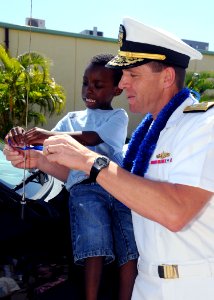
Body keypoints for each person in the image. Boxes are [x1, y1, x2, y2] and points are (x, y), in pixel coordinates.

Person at [4, 53, 138, 300]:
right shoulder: (71, 119)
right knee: (93, 244)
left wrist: (48, 135)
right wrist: (20, 139)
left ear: (117, 90)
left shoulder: (117, 117)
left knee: (128, 245)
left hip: (118, 186)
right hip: (84, 188)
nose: (89, 90)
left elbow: (92, 138)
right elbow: (45, 147)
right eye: (86, 83)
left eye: (98, 85)